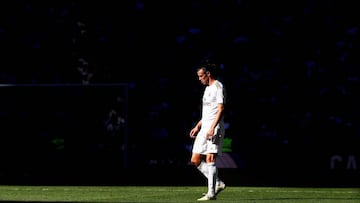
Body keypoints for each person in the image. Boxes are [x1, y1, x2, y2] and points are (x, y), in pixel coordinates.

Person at [189, 60, 226, 201]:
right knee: (195, 159)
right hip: (204, 127)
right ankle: (218, 183)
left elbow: (221, 109)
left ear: (208, 74)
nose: (199, 79)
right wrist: (198, 126)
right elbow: (208, 112)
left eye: (201, 76)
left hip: (214, 127)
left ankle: (211, 193)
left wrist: (212, 127)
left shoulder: (218, 86)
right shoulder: (207, 89)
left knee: (210, 158)